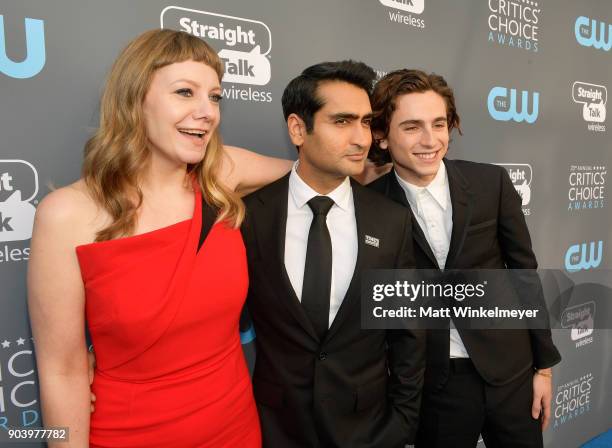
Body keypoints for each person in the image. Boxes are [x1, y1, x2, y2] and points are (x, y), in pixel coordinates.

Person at [27, 29, 294, 447]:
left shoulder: (223, 175)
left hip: (235, 428)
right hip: (127, 435)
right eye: (185, 92)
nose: (207, 112)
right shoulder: (66, 215)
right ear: (135, 100)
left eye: (215, 97)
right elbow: (61, 372)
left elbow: (320, 174)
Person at [367, 69, 561, 448]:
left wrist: (544, 368)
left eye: (439, 124)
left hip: (510, 369)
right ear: (382, 136)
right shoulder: (369, 205)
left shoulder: (492, 185)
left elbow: (524, 273)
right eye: (411, 127)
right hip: (432, 384)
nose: (430, 140)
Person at [241, 61, 425, 448]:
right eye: (342, 122)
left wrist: (401, 424)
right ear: (297, 129)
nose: (361, 139)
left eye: (365, 122)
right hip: (273, 427)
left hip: (369, 430)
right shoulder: (250, 216)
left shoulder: (391, 221)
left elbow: (407, 335)